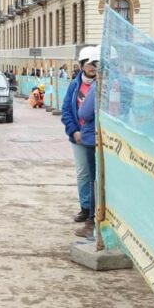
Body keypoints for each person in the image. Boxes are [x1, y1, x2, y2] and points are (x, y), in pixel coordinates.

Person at [61, 46, 98, 225]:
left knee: (96, 175)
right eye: (88, 64)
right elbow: (67, 110)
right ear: (82, 65)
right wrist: (74, 131)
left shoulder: (102, 84)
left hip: (97, 137)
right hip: (79, 137)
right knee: (83, 173)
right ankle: (86, 208)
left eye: (95, 64)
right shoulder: (75, 85)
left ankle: (96, 210)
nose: (92, 67)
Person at [74, 50, 100, 238]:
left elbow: (84, 113)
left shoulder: (97, 86)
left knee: (94, 179)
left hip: (92, 138)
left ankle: (91, 219)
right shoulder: (122, 84)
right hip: (107, 139)